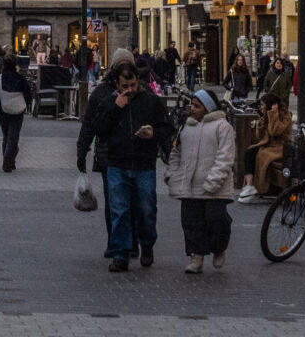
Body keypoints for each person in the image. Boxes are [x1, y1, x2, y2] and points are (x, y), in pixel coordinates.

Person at [82, 60, 176, 270]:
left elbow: (167, 128)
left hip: (144, 165)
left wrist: (153, 134)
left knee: (146, 209)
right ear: (117, 84)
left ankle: (147, 244)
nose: (129, 90)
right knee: (120, 210)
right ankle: (121, 254)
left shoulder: (150, 101)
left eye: (132, 85)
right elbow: (98, 128)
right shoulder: (109, 102)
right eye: (125, 86)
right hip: (117, 164)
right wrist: (115, 108)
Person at [163, 88, 235, 271]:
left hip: (215, 187)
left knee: (216, 219)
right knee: (191, 222)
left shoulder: (222, 127)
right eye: (191, 105)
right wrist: (172, 174)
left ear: (208, 108)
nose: (192, 109)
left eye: (196, 106)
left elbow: (225, 157)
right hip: (189, 184)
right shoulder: (186, 127)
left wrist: (214, 181)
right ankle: (196, 257)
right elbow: (176, 152)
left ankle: (219, 248)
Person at [0, 50, 35, 172]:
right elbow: (28, 93)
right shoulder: (20, 78)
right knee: (13, 136)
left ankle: (8, 161)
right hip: (17, 110)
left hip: (2, 109)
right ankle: (8, 161)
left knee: (6, 136)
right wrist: (25, 105)